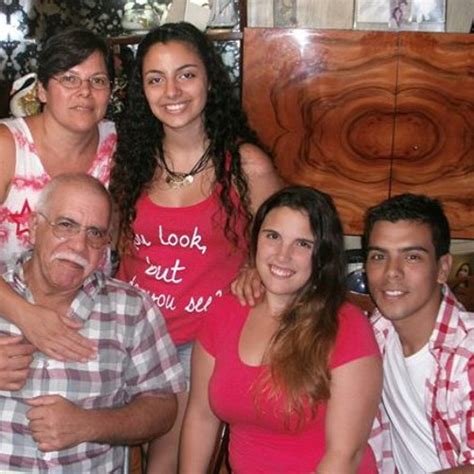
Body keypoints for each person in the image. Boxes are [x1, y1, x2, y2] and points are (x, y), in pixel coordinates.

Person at [110, 22, 282, 471]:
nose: (172, 91)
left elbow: (288, 244)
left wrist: (255, 267)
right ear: (142, 90)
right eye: (155, 79)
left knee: (168, 458)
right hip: (127, 336)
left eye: (186, 74)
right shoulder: (127, 160)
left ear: (209, 78)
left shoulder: (245, 165)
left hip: (200, 344)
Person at [180, 186, 382, 473]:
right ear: (256, 240)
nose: (283, 255)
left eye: (303, 244)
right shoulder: (224, 312)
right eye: (273, 236)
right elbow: (201, 416)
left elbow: (344, 455)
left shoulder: (347, 326)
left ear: (322, 254)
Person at [0, 173, 185, 472]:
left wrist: (88, 424)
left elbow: (163, 408)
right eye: (66, 225)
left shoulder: (132, 309)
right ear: (34, 227)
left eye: (95, 233)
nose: (78, 246)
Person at [0, 27, 117, 365]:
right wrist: (26, 316)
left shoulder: (120, 147)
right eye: (69, 78)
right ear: (41, 90)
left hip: (88, 326)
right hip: (8, 325)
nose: (85, 92)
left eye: (97, 81)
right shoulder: (7, 147)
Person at [363, 193, 474, 473]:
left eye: (412, 257)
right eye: (379, 256)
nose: (392, 272)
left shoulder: (467, 354)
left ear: (442, 269)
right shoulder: (377, 331)